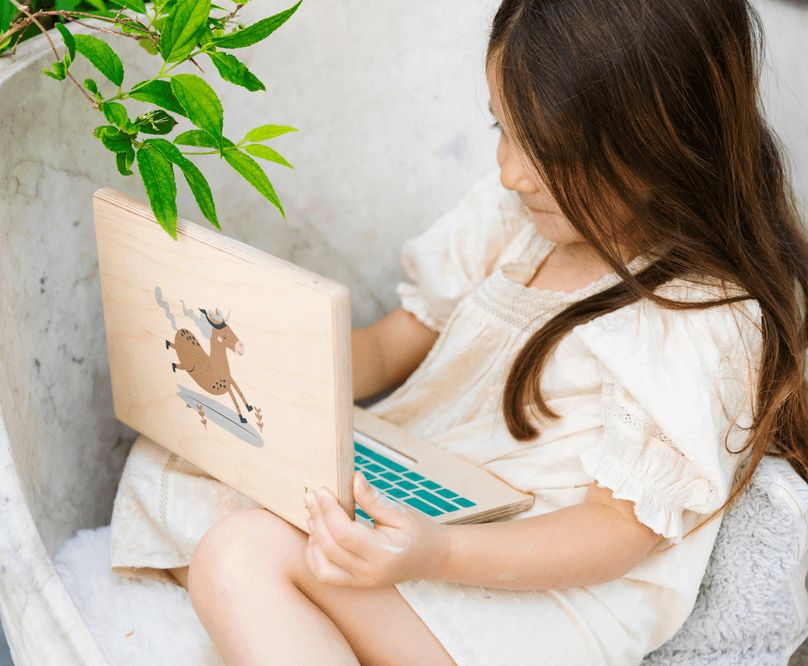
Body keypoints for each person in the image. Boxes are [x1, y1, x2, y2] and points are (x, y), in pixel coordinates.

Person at [107, 0, 808, 663]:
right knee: (183, 459)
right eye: (503, 130)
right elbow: (389, 346)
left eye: (548, 151)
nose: (509, 174)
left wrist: (437, 555)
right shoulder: (512, 225)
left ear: (662, 144)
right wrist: (266, 373)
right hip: (439, 497)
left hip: (547, 591)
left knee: (240, 555)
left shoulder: (703, 313)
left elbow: (615, 532)